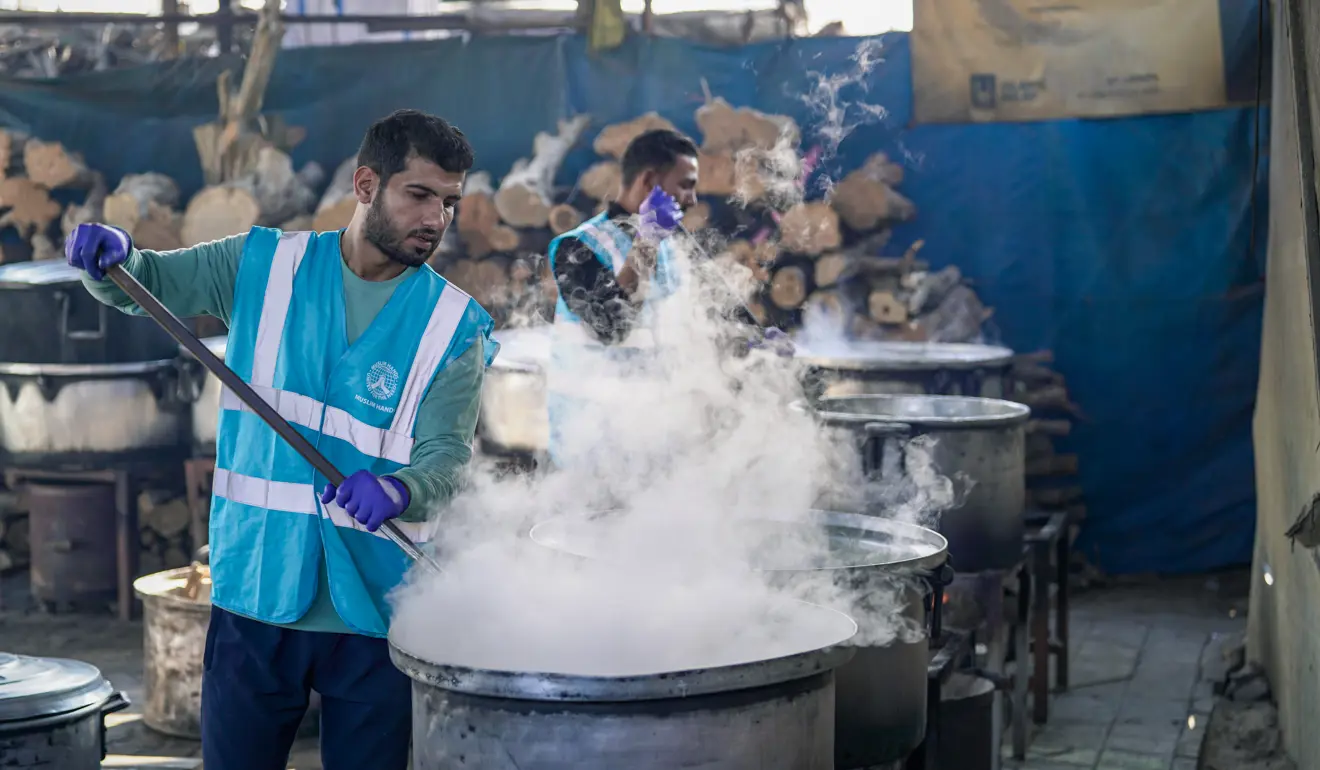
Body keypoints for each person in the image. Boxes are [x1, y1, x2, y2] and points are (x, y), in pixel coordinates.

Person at [64, 109, 497, 770]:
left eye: (449, 202)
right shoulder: (261, 265)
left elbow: (447, 460)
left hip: (377, 611)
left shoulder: (455, 327)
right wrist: (110, 259)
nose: (435, 219)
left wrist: (399, 487)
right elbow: (144, 282)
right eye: (419, 195)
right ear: (365, 185)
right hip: (258, 590)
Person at [545, 128, 789, 468]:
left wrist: (758, 346)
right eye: (686, 184)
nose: (692, 199)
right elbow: (612, 327)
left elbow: (717, 321)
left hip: (658, 450)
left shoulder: (675, 248)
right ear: (648, 181)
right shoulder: (577, 245)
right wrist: (647, 240)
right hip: (591, 454)